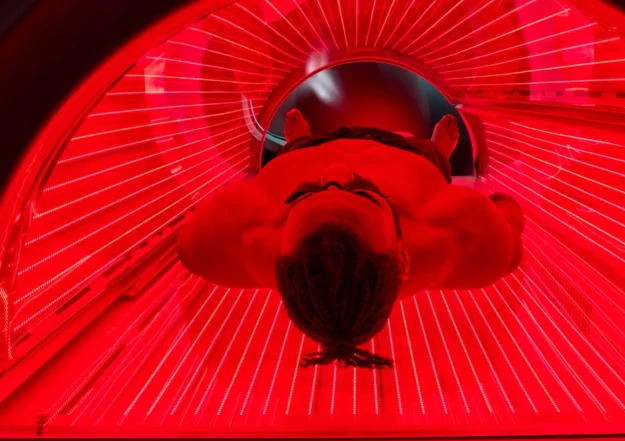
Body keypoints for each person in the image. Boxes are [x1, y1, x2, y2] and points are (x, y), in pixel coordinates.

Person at [177, 109, 524, 368]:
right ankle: (438, 151)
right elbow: (510, 218)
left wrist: (297, 157)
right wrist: (498, 206)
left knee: (294, 152)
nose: (337, 169)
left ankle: (297, 142)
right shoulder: (451, 234)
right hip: (407, 153)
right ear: (403, 256)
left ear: (278, 251)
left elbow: (189, 236)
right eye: (362, 190)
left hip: (305, 150)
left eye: (305, 194)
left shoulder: (235, 237)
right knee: (431, 160)